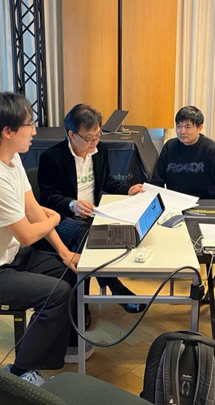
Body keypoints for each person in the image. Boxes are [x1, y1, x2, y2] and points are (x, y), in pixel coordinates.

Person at [0, 93, 93, 387]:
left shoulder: (11, 160)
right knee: (56, 293)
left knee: (71, 272)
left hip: (9, 257)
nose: (34, 131)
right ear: (7, 131)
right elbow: (28, 233)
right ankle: (20, 373)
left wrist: (65, 253)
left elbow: (33, 210)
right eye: (29, 124)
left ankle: (60, 347)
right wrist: (55, 219)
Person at [37, 104, 146, 313]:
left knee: (117, 229)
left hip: (92, 214)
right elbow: (48, 197)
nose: (94, 142)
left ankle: (92, 299)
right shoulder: (52, 157)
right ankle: (108, 291)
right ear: (71, 134)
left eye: (97, 136)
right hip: (63, 218)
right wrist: (72, 204)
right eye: (89, 138)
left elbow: (107, 181)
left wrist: (128, 189)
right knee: (85, 234)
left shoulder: (100, 150)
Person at [150, 106, 215, 200]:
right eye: (178, 126)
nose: (182, 131)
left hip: (203, 203)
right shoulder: (169, 146)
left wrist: (213, 203)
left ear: (200, 128)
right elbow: (157, 180)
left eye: (187, 127)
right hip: (175, 202)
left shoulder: (211, 149)